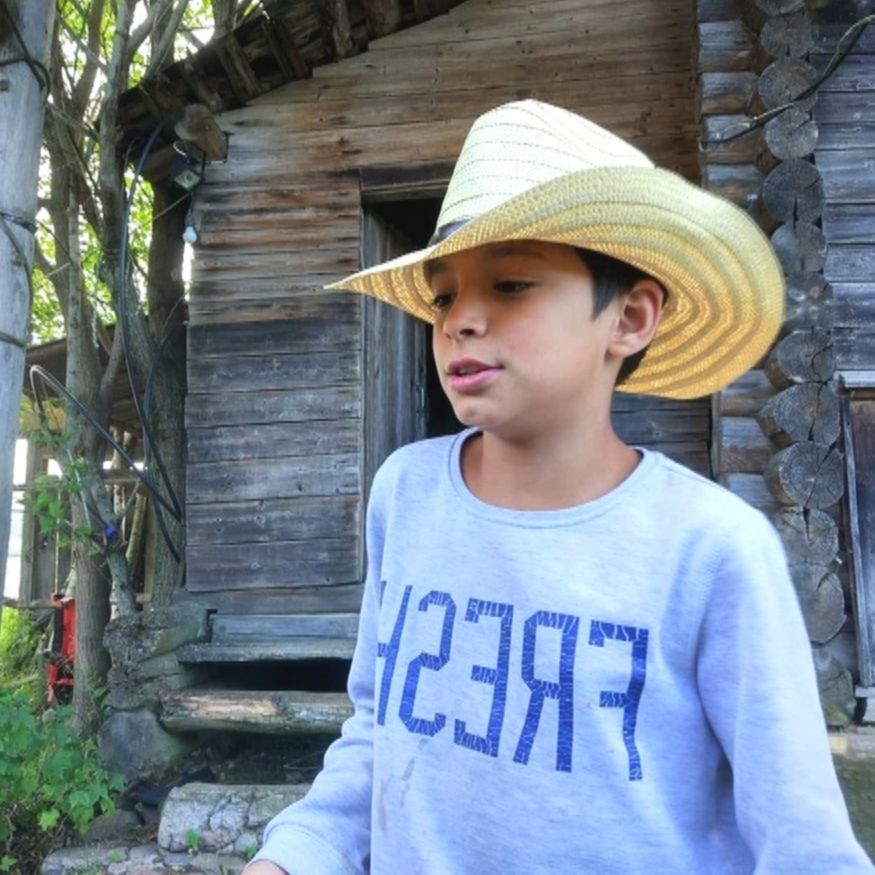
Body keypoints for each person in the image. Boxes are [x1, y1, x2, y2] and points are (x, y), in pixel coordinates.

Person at [245, 100, 872, 873]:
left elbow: (806, 849)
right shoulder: (406, 492)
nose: (459, 320)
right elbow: (381, 726)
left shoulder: (711, 548)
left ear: (630, 317)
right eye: (443, 296)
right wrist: (293, 855)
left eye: (510, 284)